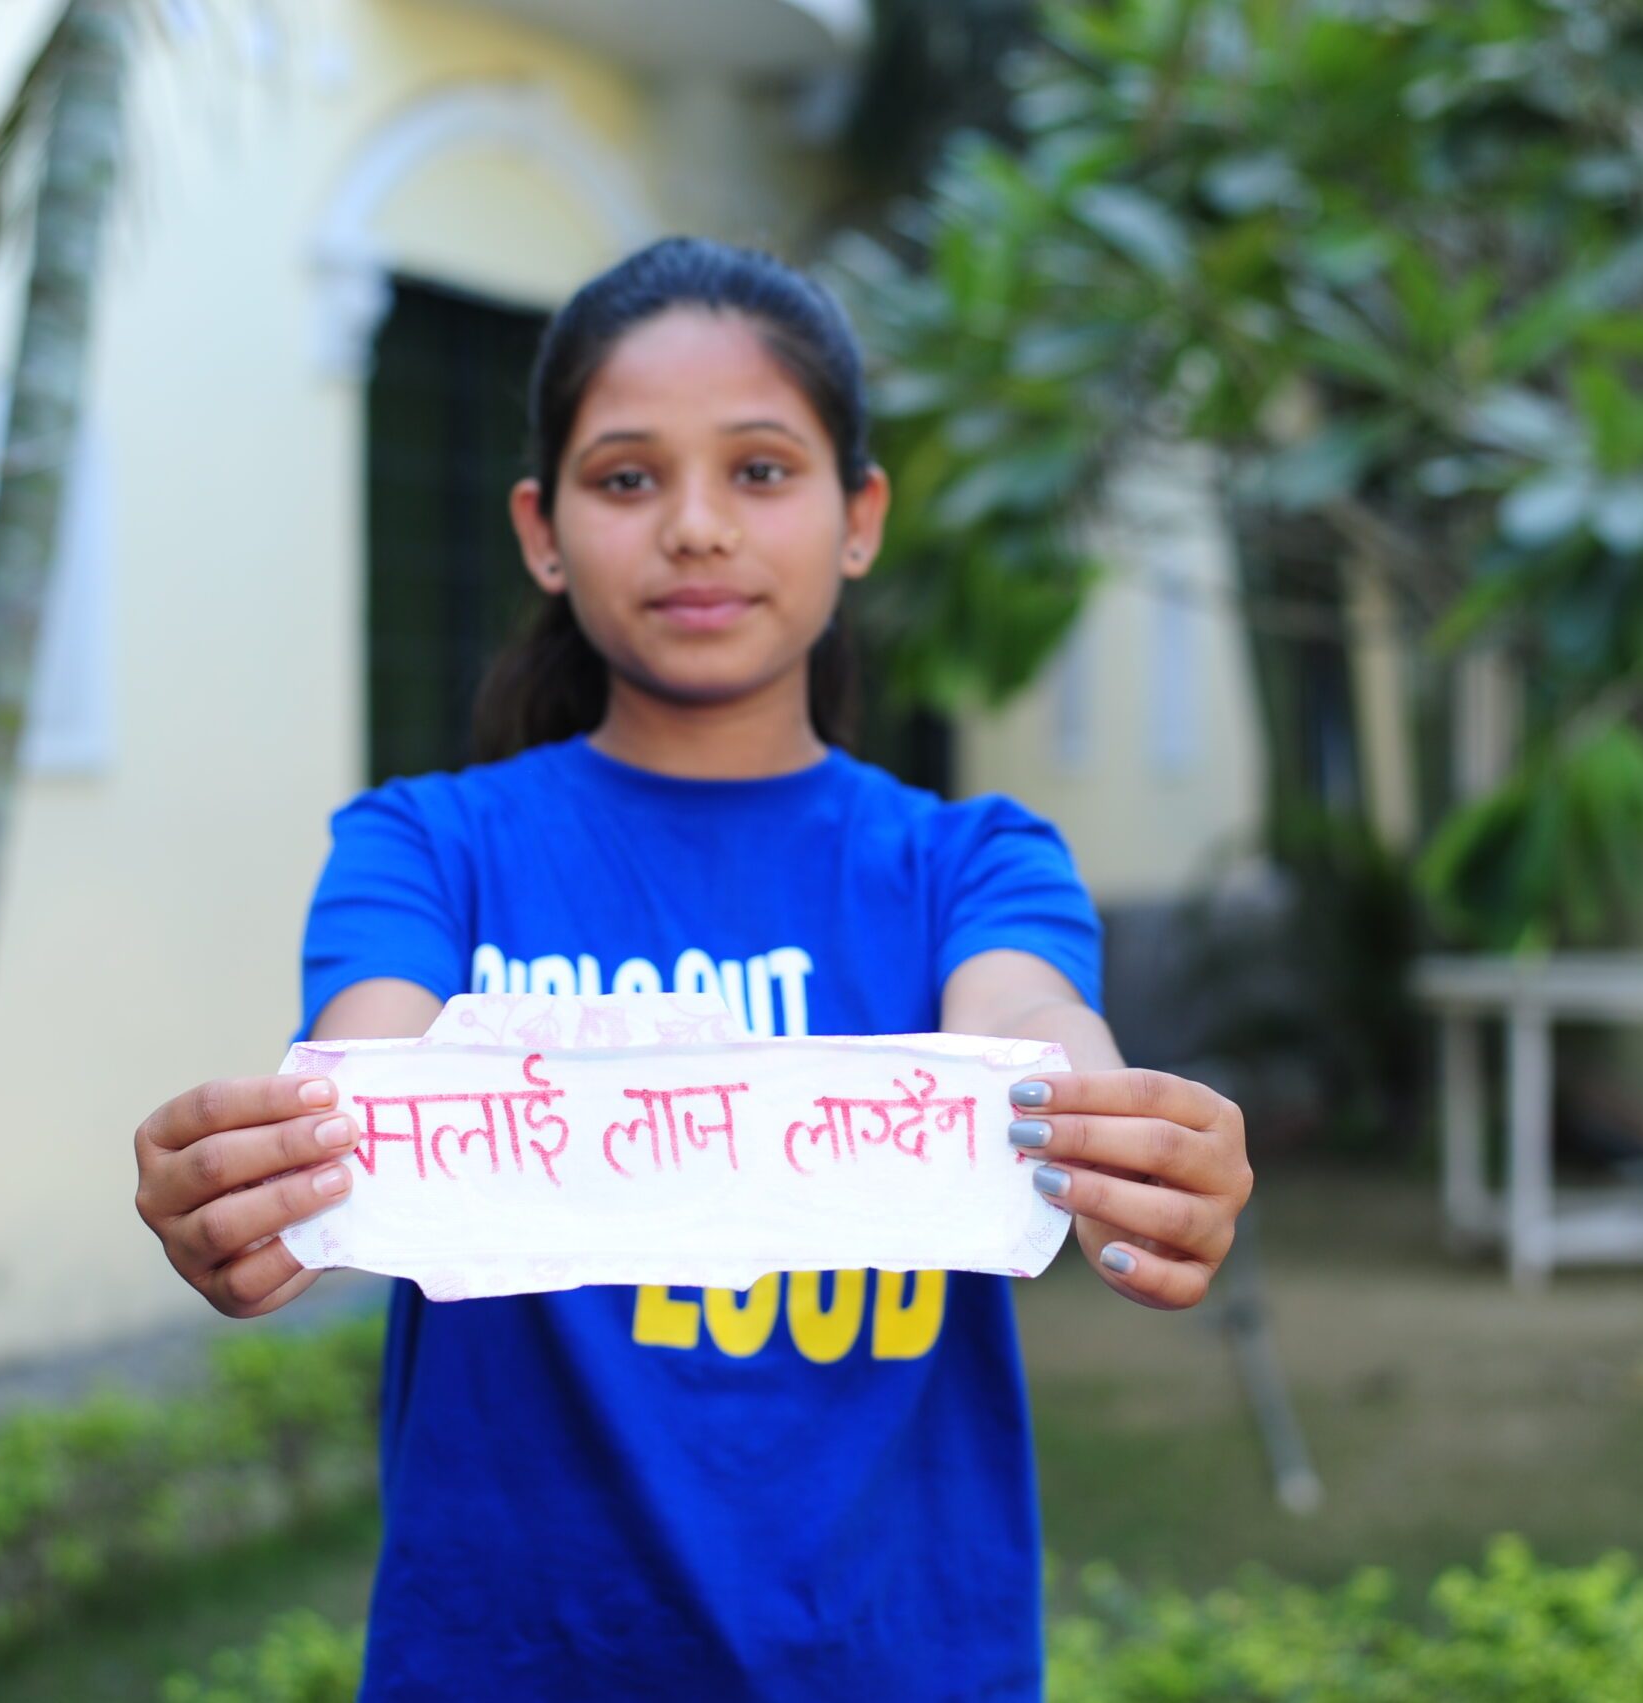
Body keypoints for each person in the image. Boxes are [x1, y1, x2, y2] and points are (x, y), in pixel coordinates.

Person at [130, 237, 1252, 1702]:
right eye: (626, 478)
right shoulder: (426, 848)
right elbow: (365, 1062)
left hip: (904, 1664)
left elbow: (1034, 1022)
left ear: (860, 517)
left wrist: (1125, 1148)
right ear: (542, 531)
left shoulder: (973, 861)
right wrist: (265, 1174)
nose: (698, 528)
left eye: (761, 470)